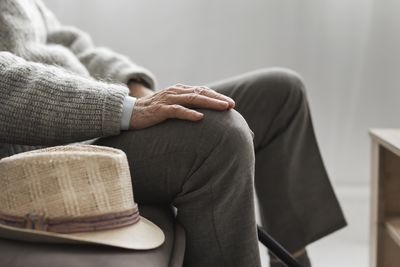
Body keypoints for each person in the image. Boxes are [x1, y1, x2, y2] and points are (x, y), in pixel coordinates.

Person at [0, 0, 346, 266]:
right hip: (38, 158)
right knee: (218, 134)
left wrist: (136, 88)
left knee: (280, 92)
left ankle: (294, 261)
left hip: (90, 125)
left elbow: (65, 42)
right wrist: (122, 109)